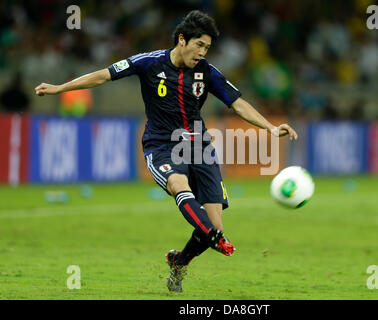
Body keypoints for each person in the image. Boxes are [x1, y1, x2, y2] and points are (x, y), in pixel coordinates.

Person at [35, 10, 298, 292]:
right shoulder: (149, 63)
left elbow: (236, 103)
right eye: (199, 45)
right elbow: (103, 75)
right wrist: (60, 88)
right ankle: (214, 237)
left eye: (207, 47)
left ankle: (180, 262)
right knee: (178, 184)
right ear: (182, 40)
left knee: (215, 223)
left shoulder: (207, 72)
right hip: (161, 146)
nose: (202, 52)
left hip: (199, 149)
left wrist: (269, 128)